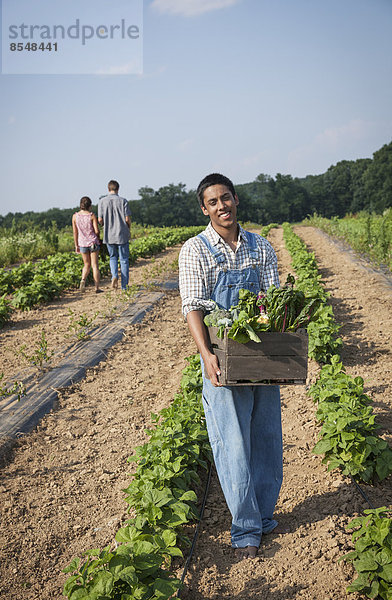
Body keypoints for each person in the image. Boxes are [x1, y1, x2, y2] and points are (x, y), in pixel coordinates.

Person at [178, 173, 284, 560]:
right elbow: (192, 305)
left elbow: (272, 302)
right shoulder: (196, 249)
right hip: (222, 357)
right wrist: (206, 355)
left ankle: (264, 516)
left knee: (267, 438)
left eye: (226, 198)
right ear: (204, 209)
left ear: (236, 200)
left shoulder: (260, 246)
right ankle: (245, 530)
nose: (221, 206)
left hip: (261, 354)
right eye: (213, 202)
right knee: (232, 444)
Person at [98, 180, 131, 291]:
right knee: (124, 259)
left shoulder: (102, 202)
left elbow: (100, 220)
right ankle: (124, 286)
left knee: (112, 257)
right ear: (118, 189)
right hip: (122, 234)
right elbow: (127, 219)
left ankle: (114, 276)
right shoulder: (123, 201)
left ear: (108, 189)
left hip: (109, 234)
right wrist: (128, 228)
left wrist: (105, 225)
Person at [72, 196, 102, 293]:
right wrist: (98, 237)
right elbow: (96, 231)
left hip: (82, 243)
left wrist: (76, 245)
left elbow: (75, 232)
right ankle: (97, 288)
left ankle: (83, 280)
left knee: (86, 265)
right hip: (93, 242)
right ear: (89, 205)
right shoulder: (92, 216)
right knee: (95, 265)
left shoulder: (75, 216)